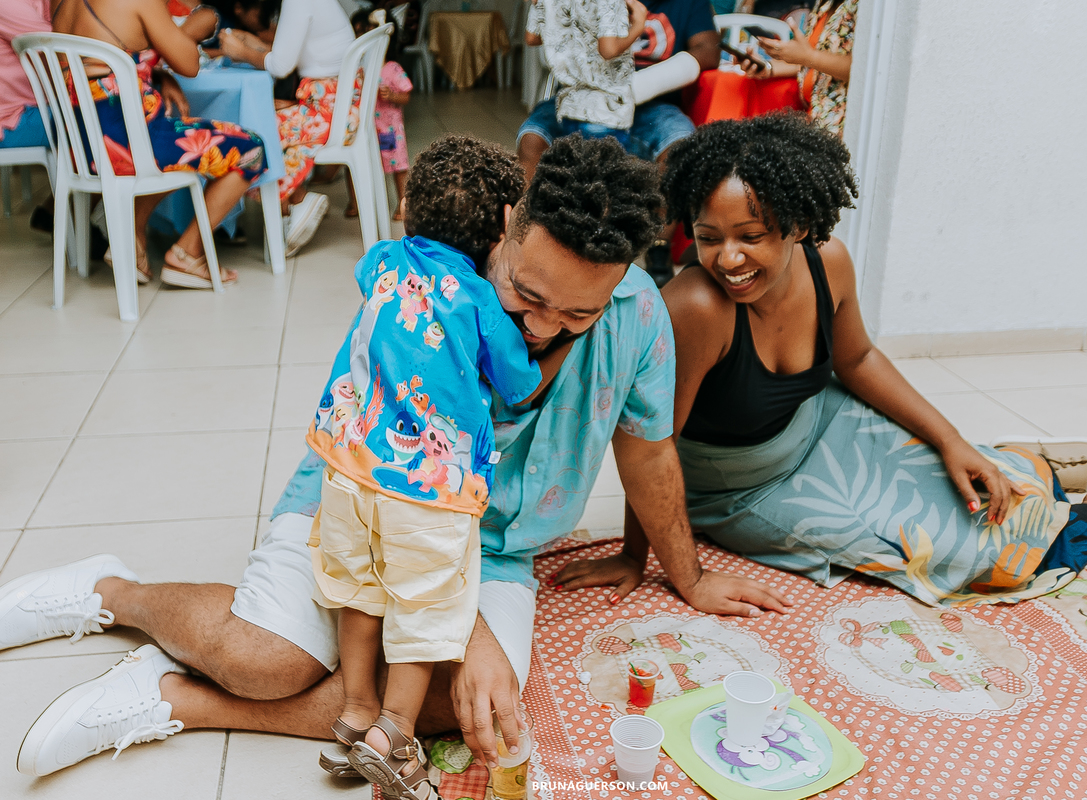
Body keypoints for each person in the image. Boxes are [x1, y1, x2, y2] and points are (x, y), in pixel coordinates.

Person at [3, 134, 789, 781]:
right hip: (360, 495)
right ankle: (111, 591)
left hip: (496, 551)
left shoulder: (640, 317)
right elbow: (381, 453)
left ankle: (177, 699)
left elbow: (648, 453)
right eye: (527, 296)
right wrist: (467, 626)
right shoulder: (432, 282)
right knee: (263, 660)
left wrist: (683, 573)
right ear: (508, 227)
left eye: (577, 312)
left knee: (469, 701)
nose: (544, 327)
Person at [551, 113, 1087, 612]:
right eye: (710, 236)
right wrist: (650, 561)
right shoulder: (696, 306)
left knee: (973, 478)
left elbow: (857, 358)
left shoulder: (827, 261)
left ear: (799, 225)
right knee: (965, 553)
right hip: (742, 484)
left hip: (821, 423)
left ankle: (1027, 459)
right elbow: (649, 443)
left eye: (752, 236)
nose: (728, 258)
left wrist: (946, 440)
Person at [307, 135, 565, 799]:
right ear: (508, 223)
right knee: (425, 612)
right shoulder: (480, 300)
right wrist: (558, 349)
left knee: (360, 590)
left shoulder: (383, 260)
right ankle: (393, 732)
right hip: (425, 489)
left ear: (406, 211)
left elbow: (372, 286)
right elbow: (517, 383)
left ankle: (357, 706)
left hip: (348, 466)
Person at [51, 0, 267, 287]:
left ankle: (133, 238)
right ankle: (187, 253)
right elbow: (189, 64)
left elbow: (109, 57)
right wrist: (193, 28)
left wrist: (158, 74)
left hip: (80, 146)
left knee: (178, 138)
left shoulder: (60, 3)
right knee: (250, 149)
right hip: (127, 145)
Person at [518, 0, 718, 287]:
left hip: (652, 105)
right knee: (532, 139)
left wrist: (637, 87)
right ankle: (530, 238)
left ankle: (658, 249)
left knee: (680, 146)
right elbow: (539, 37)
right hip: (581, 96)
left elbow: (708, 50)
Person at [217, 0, 354, 256]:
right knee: (264, 119)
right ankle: (293, 204)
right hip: (338, 102)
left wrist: (242, 52)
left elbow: (281, 66)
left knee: (252, 134)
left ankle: (298, 201)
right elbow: (288, 53)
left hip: (329, 111)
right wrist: (250, 42)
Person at [524, 0, 645, 148]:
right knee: (603, 169)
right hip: (606, 109)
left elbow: (532, 38)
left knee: (575, 166)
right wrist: (638, 26)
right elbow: (608, 50)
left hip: (570, 106)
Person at [747, 0, 855, 136]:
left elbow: (861, 67)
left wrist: (809, 56)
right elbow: (814, 61)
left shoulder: (865, 8)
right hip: (813, 119)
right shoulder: (825, 4)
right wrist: (767, 67)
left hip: (841, 128)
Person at [346, 8, 410, 222]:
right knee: (355, 163)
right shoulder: (357, 68)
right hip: (365, 128)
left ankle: (403, 203)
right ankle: (355, 203)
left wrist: (392, 95)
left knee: (398, 166)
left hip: (390, 129)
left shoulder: (392, 69)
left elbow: (406, 96)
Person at [0, 0, 52, 151]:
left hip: (32, 110)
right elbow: (56, 46)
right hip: (13, 121)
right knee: (101, 118)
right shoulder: (8, 4)